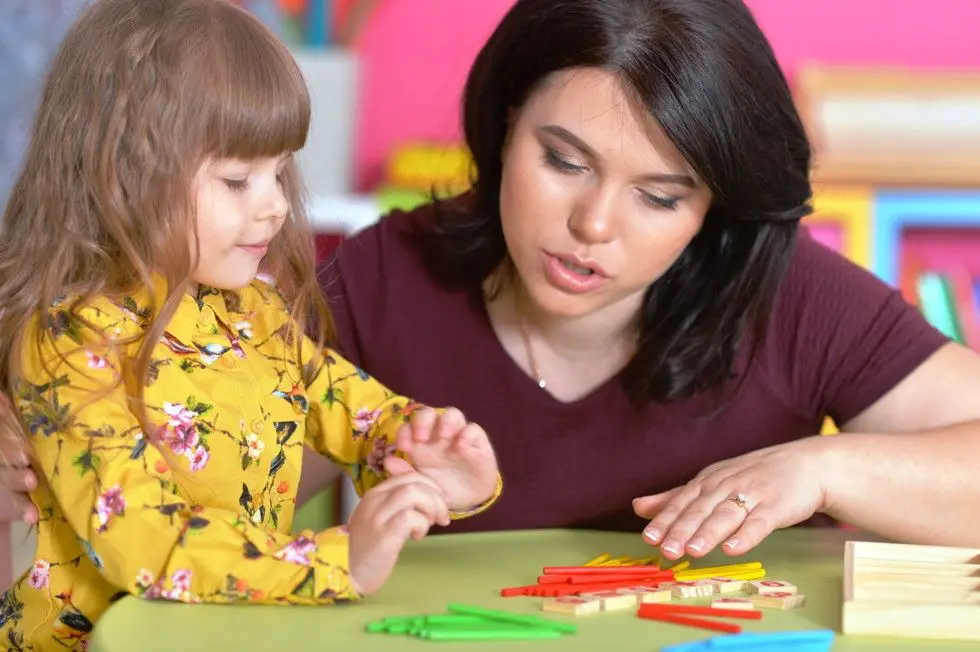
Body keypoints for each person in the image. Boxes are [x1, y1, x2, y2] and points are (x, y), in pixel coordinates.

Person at [5, 0, 980, 571]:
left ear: (713, 207)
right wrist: (53, 432)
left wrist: (821, 469)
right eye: (562, 162)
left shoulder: (787, 294)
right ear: (500, 127)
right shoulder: (391, 275)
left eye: (658, 195)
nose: (593, 226)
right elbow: (214, 487)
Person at [0, 0, 500, 648]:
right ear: (122, 172)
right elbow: (141, 539)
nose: (275, 207)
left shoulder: (254, 313)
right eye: (238, 180)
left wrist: (437, 463)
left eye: (279, 172)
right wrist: (337, 561)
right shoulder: (68, 342)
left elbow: (357, 411)